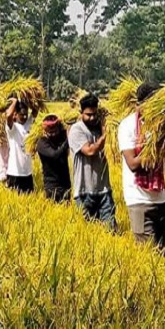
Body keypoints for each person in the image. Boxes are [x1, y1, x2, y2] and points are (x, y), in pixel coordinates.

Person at [118, 81, 165, 254]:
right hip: (139, 201)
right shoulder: (127, 126)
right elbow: (133, 163)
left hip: (162, 200)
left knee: (164, 253)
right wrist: (155, 146)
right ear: (138, 105)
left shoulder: (161, 125)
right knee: (148, 257)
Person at [68, 94, 116, 231]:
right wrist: (105, 135)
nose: (92, 118)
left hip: (104, 191)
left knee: (111, 231)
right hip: (84, 193)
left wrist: (106, 127)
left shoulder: (99, 128)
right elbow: (89, 151)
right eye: (88, 115)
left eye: (95, 114)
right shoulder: (77, 130)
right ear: (81, 113)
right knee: (87, 234)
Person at [36, 115, 71, 203]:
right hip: (52, 186)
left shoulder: (61, 137)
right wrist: (68, 140)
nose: (53, 134)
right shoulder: (42, 142)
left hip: (65, 184)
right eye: (50, 132)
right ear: (45, 131)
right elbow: (54, 155)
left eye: (55, 131)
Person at [5, 98, 35, 194]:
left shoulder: (28, 125)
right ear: (16, 114)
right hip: (15, 173)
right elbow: (8, 115)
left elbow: (36, 110)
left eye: (26, 114)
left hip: (27, 173)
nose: (25, 117)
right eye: (22, 115)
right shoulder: (12, 129)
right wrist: (14, 102)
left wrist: (30, 99)